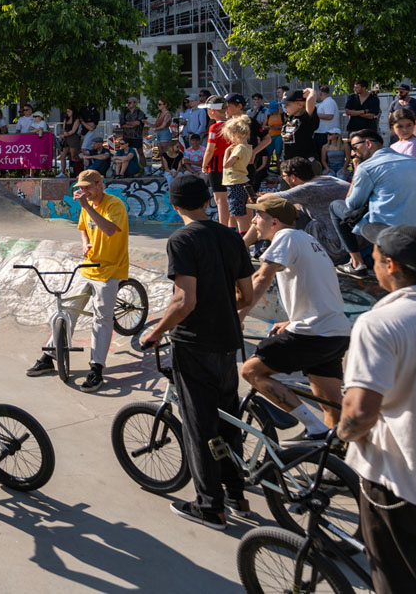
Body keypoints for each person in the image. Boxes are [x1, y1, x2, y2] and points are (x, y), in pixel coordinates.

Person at [140, 175, 254, 529]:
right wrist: (222, 309)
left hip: (195, 344)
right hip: (228, 341)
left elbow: (184, 300)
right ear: (207, 201)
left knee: (200, 426)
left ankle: (210, 506)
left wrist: (156, 332)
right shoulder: (231, 236)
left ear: (175, 206)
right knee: (226, 419)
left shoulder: (182, 240)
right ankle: (236, 493)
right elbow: (247, 297)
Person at [337, 223, 416, 592]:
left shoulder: (381, 323)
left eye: (373, 258)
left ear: (390, 265)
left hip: (400, 482)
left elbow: (358, 413)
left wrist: (343, 435)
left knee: (395, 580)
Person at [238, 199, 350, 437]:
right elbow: (319, 286)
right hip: (335, 330)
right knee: (330, 403)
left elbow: (261, 278)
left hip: (313, 332)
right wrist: (292, 320)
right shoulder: (307, 241)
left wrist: (238, 315)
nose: (254, 221)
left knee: (251, 371)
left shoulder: (285, 237)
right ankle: (333, 454)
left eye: (258, 217)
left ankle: (315, 428)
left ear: (275, 222)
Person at [27, 169, 129, 391]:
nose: (84, 192)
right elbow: (83, 228)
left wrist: (85, 207)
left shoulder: (114, 205)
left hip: (110, 269)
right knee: (67, 310)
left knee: (102, 318)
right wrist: (85, 242)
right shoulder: (87, 206)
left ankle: (97, 369)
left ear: (100, 184)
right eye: (80, 188)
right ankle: (50, 355)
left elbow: (110, 230)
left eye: (88, 187)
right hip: (88, 267)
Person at [330, 130, 416, 277]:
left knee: (335, 206)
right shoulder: (415, 162)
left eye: (354, 148)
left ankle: (356, 264)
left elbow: (352, 204)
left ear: (368, 144)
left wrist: (356, 172)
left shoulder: (367, 167)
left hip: (386, 232)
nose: (353, 153)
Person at [198, 95, 230, 225]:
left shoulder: (215, 128)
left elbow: (210, 150)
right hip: (232, 163)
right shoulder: (233, 124)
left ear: (213, 111)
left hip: (217, 165)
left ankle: (223, 226)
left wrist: (204, 164)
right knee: (229, 197)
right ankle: (231, 226)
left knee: (220, 199)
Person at [219, 115, 253, 235]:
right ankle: (244, 234)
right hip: (242, 181)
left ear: (235, 134)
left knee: (238, 214)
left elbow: (226, 165)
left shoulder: (239, 148)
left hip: (235, 182)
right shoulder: (248, 147)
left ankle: (243, 237)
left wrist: (227, 152)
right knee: (241, 212)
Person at [281, 87, 321, 162]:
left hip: (305, 162)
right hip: (289, 161)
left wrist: (310, 90)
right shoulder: (290, 118)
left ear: (299, 104)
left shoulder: (306, 118)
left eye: (288, 104)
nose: (285, 107)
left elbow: (311, 99)